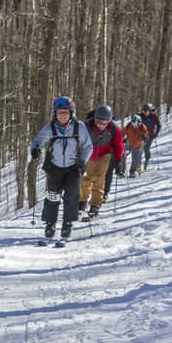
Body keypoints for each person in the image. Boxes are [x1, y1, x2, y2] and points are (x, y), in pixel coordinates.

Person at [30, 96, 93, 240]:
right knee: (53, 196)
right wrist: (35, 150)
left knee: (71, 197)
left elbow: (88, 146)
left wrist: (83, 161)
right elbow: (38, 141)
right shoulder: (50, 127)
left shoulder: (80, 127)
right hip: (54, 167)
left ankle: (67, 224)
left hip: (73, 167)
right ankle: (50, 223)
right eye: (59, 113)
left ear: (71, 113)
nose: (62, 115)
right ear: (55, 114)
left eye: (65, 112)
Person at [78, 104, 125, 220]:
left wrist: (119, 160)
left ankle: (95, 205)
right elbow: (78, 142)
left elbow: (118, 144)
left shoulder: (114, 129)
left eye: (103, 123)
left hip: (104, 155)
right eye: (98, 122)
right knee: (85, 178)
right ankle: (82, 202)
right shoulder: (86, 126)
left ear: (108, 122)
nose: (100, 125)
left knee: (99, 179)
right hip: (88, 154)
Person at [138, 103, 161, 171]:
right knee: (140, 150)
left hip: (150, 135)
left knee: (146, 149)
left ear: (150, 111)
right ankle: (138, 166)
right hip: (141, 136)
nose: (145, 113)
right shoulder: (140, 116)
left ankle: (147, 161)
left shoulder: (153, 116)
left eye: (146, 111)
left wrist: (156, 133)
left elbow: (159, 125)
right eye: (143, 111)